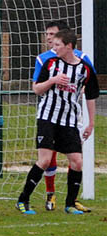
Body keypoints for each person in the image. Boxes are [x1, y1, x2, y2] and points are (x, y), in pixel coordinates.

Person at [16, 29, 99, 215]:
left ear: (69, 46)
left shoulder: (84, 69)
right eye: (53, 45)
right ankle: (23, 200)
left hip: (69, 120)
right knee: (44, 160)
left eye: (57, 45)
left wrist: (91, 123)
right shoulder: (51, 63)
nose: (54, 48)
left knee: (77, 161)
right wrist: (52, 80)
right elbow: (37, 89)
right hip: (48, 117)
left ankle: (70, 204)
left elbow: (91, 96)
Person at [33, 21, 93, 212]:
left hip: (72, 114)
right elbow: (36, 86)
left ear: (64, 38)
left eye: (52, 34)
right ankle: (50, 195)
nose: (49, 38)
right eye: (47, 34)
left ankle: (72, 200)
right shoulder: (43, 59)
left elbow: (88, 83)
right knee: (47, 156)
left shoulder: (83, 58)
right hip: (50, 112)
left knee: (75, 157)